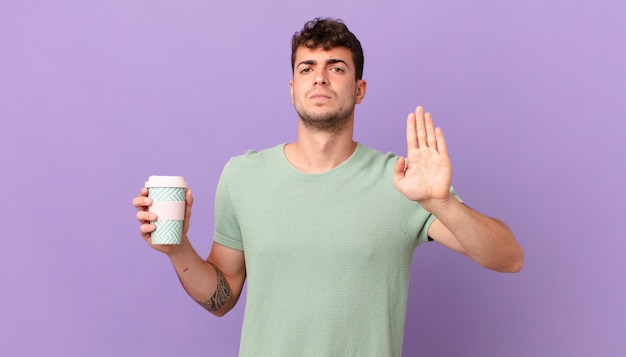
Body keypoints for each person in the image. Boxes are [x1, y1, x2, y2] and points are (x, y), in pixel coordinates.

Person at [132, 18, 524, 356]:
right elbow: (222, 297)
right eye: (307, 68)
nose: (319, 76)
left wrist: (441, 202)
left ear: (359, 89)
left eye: (336, 67)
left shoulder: (403, 182)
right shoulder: (242, 176)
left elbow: (508, 258)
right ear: (292, 88)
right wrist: (177, 248)